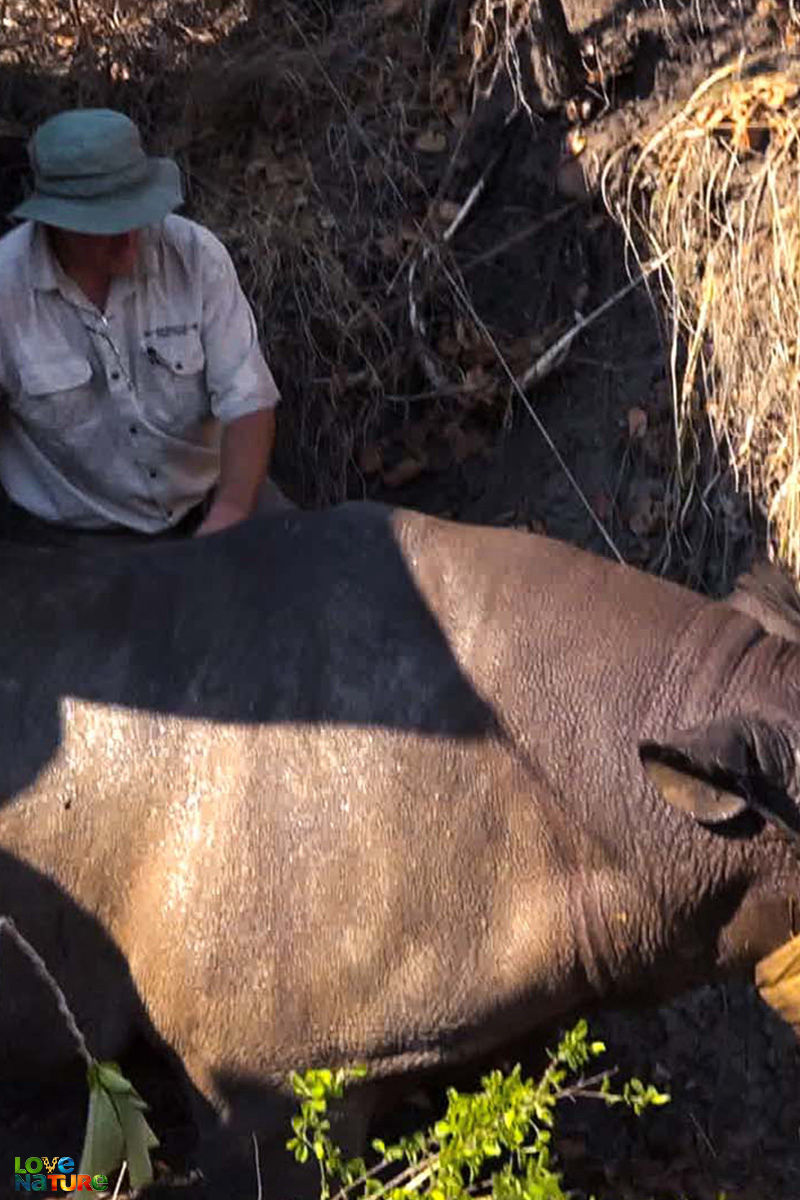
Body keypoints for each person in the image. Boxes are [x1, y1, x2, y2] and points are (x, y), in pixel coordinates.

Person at [0, 107, 288, 543]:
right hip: (68, 533)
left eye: (137, 213)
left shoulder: (195, 255)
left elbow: (248, 399)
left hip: (210, 499)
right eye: (106, 223)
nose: (129, 235)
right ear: (54, 221)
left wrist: (229, 513)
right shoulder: (6, 288)